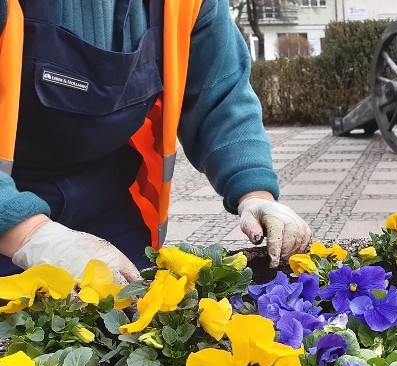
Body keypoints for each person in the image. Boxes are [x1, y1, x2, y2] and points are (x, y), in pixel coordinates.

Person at [0, 0, 311, 284]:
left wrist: (255, 194)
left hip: (105, 199)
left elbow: (221, 94)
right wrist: (30, 234)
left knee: (132, 318)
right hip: (10, 198)